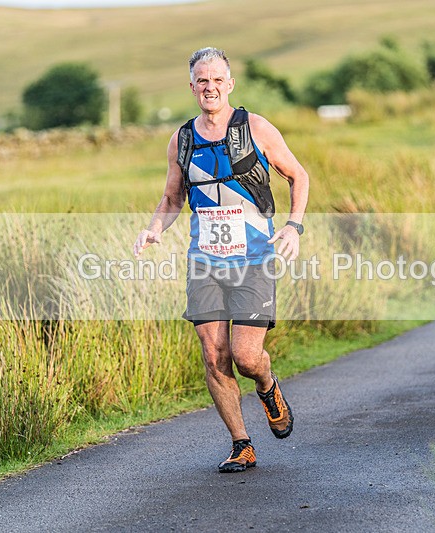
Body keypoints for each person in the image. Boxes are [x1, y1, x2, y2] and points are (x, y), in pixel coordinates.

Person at [133, 47, 310, 470]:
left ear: (229, 84)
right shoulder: (182, 139)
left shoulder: (256, 128)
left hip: (254, 259)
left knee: (246, 357)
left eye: (216, 80)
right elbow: (172, 198)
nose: (209, 87)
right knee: (214, 357)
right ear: (192, 86)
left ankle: (267, 386)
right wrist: (155, 227)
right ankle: (241, 444)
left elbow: (298, 175)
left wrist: (293, 226)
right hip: (204, 262)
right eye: (202, 80)